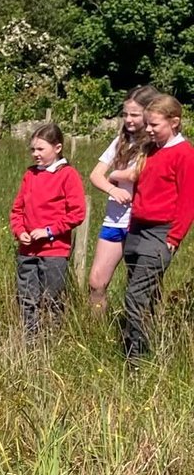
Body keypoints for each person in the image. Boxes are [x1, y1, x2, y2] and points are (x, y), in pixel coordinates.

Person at [122, 95, 194, 358]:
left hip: (161, 233)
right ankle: (154, 348)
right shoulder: (150, 150)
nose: (149, 129)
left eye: (154, 125)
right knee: (147, 296)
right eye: (148, 124)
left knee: (135, 296)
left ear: (174, 122)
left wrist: (174, 237)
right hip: (137, 230)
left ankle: (136, 359)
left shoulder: (185, 154)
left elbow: (188, 200)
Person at [88, 85, 160, 311]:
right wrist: (113, 189)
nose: (128, 119)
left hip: (141, 221)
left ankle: (144, 335)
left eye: (135, 115)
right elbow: (95, 175)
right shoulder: (120, 141)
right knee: (96, 282)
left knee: (141, 288)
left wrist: (116, 174)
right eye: (125, 114)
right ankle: (95, 332)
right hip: (114, 220)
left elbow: (136, 173)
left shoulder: (156, 144)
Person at [9, 124, 86, 335]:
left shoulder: (67, 175)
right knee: (26, 297)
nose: (35, 154)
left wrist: (49, 231)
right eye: (33, 149)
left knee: (51, 298)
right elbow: (17, 210)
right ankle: (30, 339)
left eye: (41, 149)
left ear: (57, 147)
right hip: (28, 250)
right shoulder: (30, 174)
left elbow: (77, 213)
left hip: (54, 251)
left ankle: (51, 340)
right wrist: (19, 230)